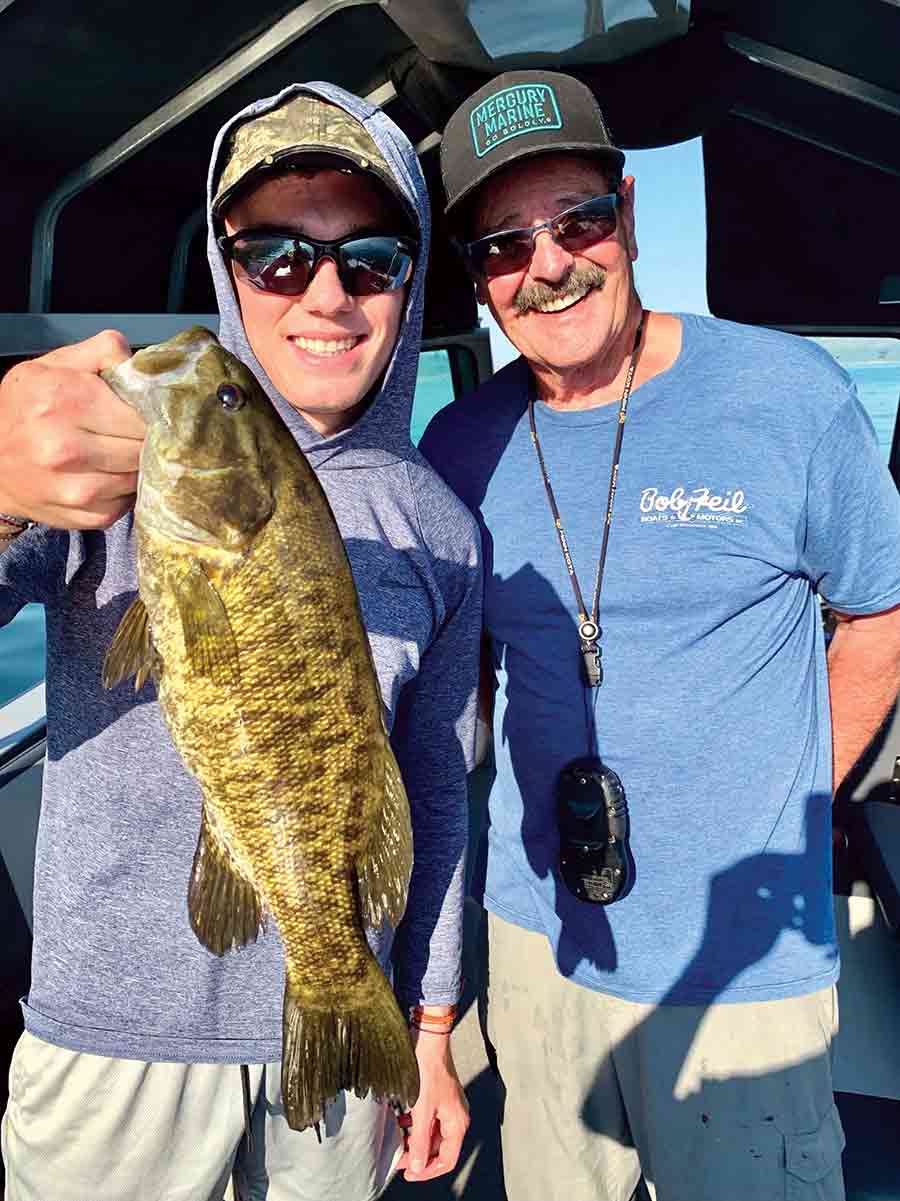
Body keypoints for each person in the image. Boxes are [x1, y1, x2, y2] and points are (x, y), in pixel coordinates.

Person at [420, 69, 900, 1201]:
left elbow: (881, 616)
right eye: (503, 244)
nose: (548, 264)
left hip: (740, 947)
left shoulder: (788, 395)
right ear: (480, 279)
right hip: (536, 940)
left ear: (629, 216)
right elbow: (447, 674)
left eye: (577, 220)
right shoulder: (459, 443)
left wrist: (793, 811)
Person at [0, 82, 480, 1201]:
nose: (326, 293)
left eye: (368, 257)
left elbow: (434, 789)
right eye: (276, 256)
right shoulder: (110, 469)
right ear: (226, 266)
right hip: (111, 1035)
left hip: (336, 1016)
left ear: (409, 283)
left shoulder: (441, 522)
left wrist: (432, 1020)